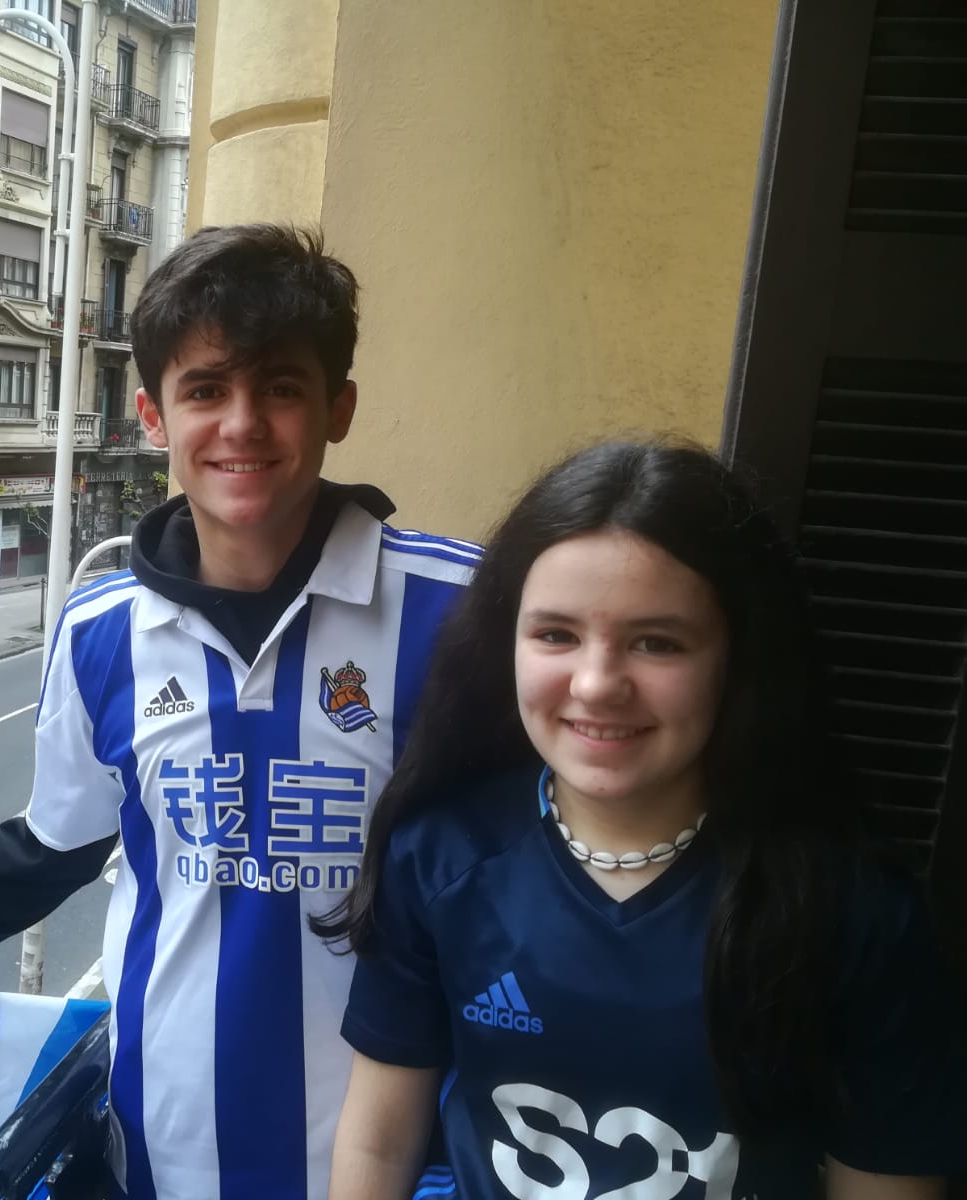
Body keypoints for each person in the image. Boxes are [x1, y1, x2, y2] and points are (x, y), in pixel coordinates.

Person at [0, 224, 480, 1199]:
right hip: (158, 1153)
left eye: (281, 388)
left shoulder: (457, 614)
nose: (241, 424)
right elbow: (43, 854)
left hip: (400, 1165)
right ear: (154, 415)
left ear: (339, 407)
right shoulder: (100, 631)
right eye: (205, 390)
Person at [321, 440, 962, 1199]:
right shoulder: (438, 856)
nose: (597, 684)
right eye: (556, 634)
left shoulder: (854, 910)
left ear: (739, 657)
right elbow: (379, 1144)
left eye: (657, 642)